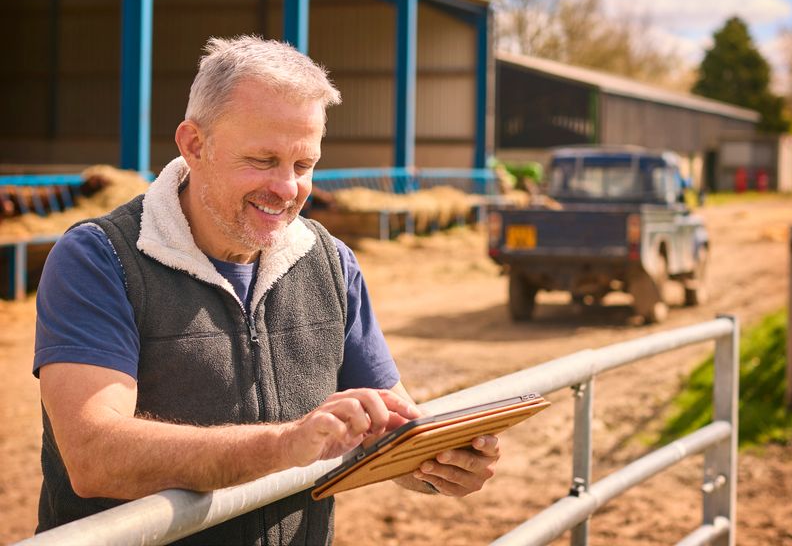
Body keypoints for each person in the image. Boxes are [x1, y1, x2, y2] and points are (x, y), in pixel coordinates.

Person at [34, 36, 500, 545]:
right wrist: (283, 446)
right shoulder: (100, 259)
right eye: (262, 160)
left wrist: (433, 463)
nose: (286, 188)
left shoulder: (329, 262)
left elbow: (387, 429)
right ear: (193, 144)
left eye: (304, 166)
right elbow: (95, 456)